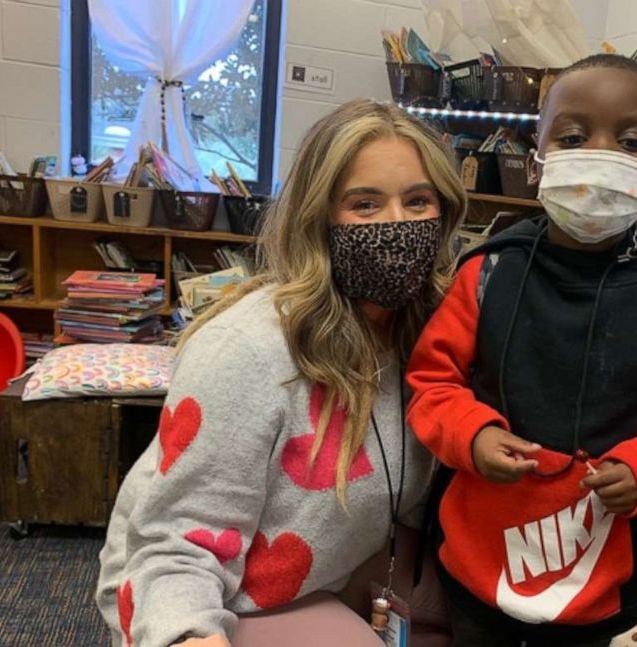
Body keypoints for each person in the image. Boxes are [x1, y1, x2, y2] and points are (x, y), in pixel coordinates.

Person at [96, 99, 464, 647]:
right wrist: (188, 633)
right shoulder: (248, 349)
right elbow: (176, 547)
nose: (395, 224)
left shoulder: (429, 337)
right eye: (364, 205)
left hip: (331, 574)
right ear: (319, 220)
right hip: (216, 591)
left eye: (417, 201)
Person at [405, 54, 637, 647]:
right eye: (575, 136)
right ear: (537, 157)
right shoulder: (486, 275)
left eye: (632, 140)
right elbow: (432, 383)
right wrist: (472, 435)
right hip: (479, 566)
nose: (603, 155)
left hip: (601, 579)